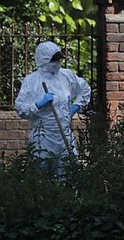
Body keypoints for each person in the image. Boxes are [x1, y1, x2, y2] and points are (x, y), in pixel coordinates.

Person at [15, 41, 91, 172]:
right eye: (54, 61)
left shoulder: (66, 76)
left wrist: (74, 108)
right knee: (43, 178)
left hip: (64, 136)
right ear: (44, 61)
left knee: (67, 175)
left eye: (59, 60)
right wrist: (38, 104)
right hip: (43, 137)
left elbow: (84, 90)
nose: (58, 64)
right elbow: (21, 108)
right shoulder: (32, 81)